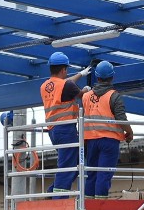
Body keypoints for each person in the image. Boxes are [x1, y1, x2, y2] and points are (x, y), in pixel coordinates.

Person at [40, 51, 91, 197]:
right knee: (68, 165)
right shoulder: (66, 85)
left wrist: (81, 74)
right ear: (64, 69)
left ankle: (52, 192)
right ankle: (59, 198)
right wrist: (87, 90)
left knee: (75, 164)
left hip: (53, 131)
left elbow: (67, 83)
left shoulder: (44, 86)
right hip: (66, 129)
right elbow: (81, 94)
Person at [82, 61, 134, 199]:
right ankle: (99, 209)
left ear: (97, 77)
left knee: (92, 174)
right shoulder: (114, 96)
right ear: (112, 77)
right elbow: (121, 119)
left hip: (90, 141)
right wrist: (130, 132)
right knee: (104, 174)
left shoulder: (86, 96)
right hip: (109, 141)